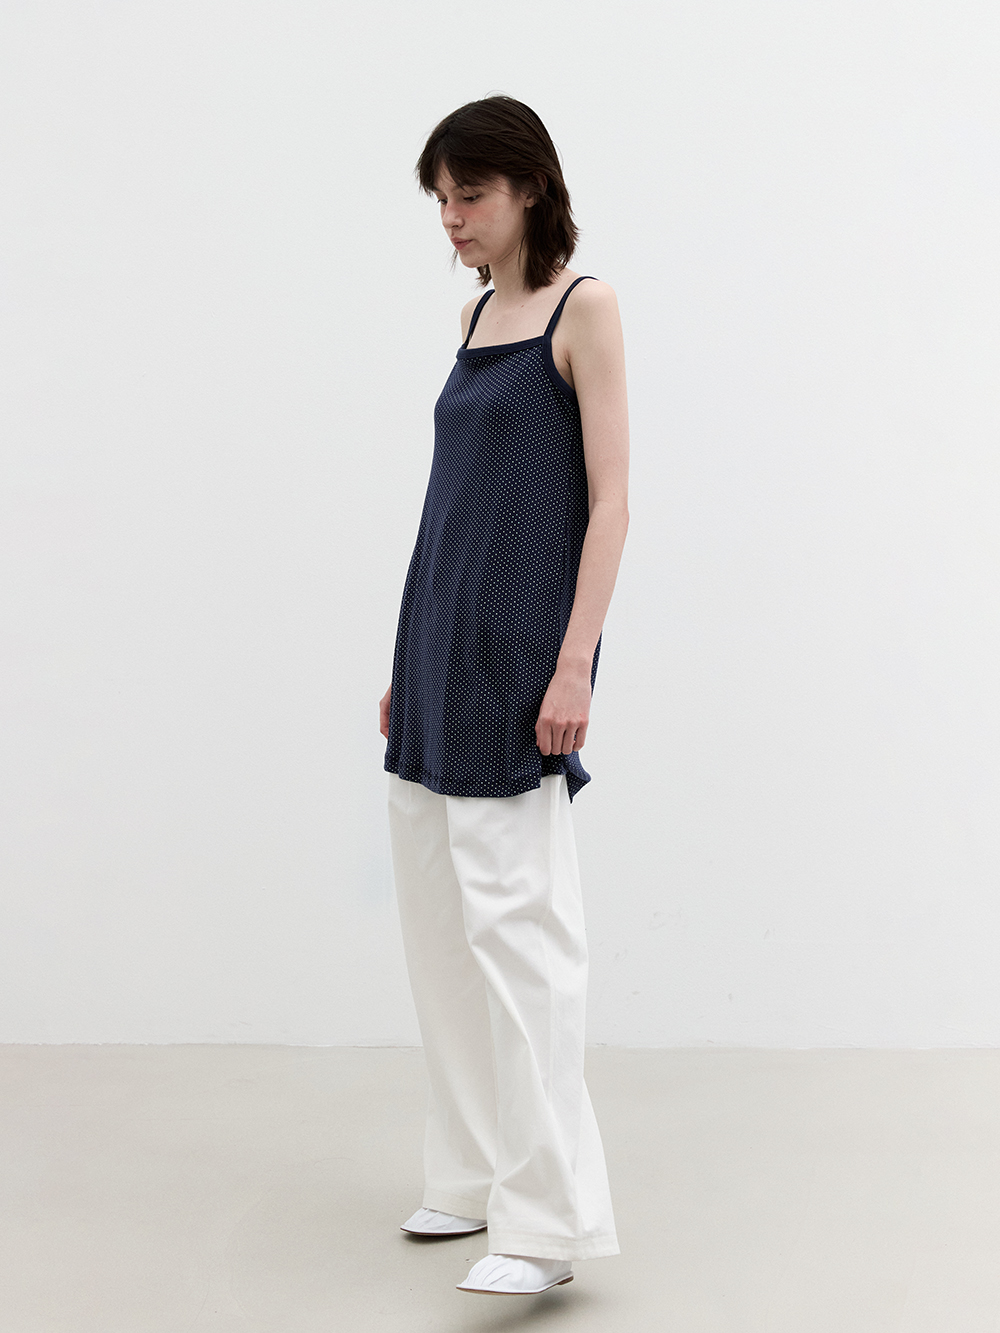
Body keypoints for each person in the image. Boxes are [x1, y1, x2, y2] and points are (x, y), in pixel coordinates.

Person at [379, 94, 630, 1297]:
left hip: (520, 660)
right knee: (441, 929)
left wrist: (575, 660)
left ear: (528, 185)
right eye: (440, 198)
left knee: (524, 939)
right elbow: (454, 501)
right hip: (435, 647)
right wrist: (405, 660)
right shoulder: (475, 316)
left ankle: (544, 1226)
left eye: (468, 193)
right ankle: (472, 1172)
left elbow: (612, 500)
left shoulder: (585, 309)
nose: (452, 217)